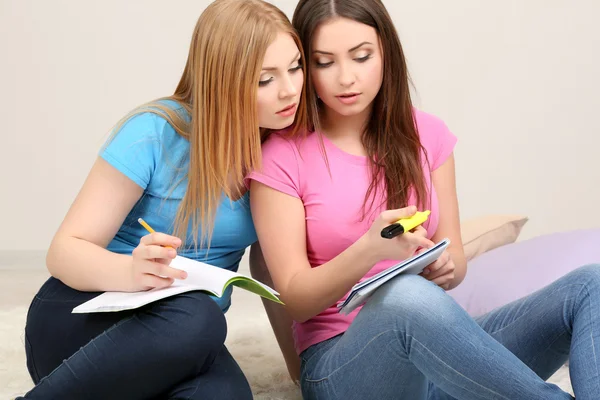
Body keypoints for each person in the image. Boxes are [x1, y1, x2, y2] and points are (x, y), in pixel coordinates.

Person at [248, 0, 600, 399]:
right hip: (342, 366)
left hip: (443, 354)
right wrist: (368, 250)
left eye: (361, 57)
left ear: (386, 53)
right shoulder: (281, 157)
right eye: (324, 62)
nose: (346, 78)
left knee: (592, 284)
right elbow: (295, 301)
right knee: (406, 297)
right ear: (305, 67)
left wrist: (445, 268)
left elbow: (455, 264)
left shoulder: (427, 135)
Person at [19, 1, 306, 399]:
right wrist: (131, 272)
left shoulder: (284, 151)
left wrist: (300, 374)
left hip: (179, 342)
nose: (290, 89)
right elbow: (64, 251)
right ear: (222, 81)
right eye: (264, 79)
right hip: (84, 317)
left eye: (295, 67)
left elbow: (271, 270)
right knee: (199, 316)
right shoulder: (155, 132)